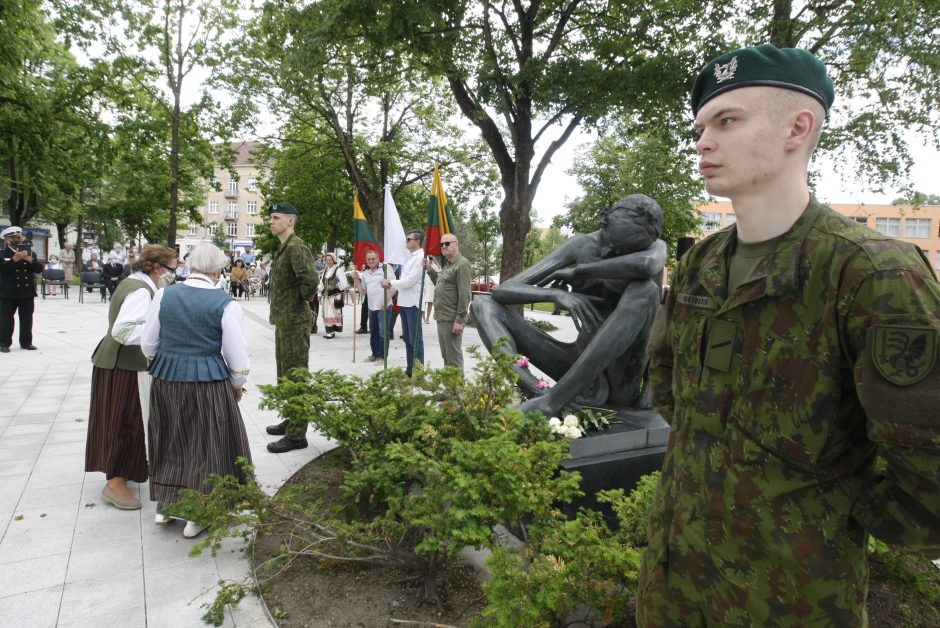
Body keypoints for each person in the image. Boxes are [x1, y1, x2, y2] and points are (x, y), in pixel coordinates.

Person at [637, 45, 940, 626]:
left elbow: (929, 474)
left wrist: (828, 512)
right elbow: (669, 382)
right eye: (701, 126)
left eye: (727, 121)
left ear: (797, 128)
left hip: (793, 598)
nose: (703, 142)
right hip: (674, 583)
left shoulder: (869, 273)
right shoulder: (703, 263)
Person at [472, 195, 666, 417]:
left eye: (623, 250)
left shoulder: (653, 250)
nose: (611, 252)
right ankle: (536, 391)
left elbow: (647, 269)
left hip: (619, 378)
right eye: (609, 243)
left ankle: (552, 401)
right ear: (604, 221)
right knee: (482, 304)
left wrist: (580, 271)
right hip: (575, 364)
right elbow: (503, 290)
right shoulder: (580, 245)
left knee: (646, 290)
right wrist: (555, 295)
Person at [141, 244, 251, 538]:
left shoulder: (165, 294)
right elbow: (237, 357)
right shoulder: (226, 304)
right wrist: (237, 385)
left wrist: (168, 361)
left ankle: (166, 505)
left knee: (170, 437)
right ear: (218, 270)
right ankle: (199, 512)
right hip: (208, 384)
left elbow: (148, 344)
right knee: (205, 445)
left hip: (167, 379)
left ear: (189, 266)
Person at [86, 244, 177, 511]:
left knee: (127, 420)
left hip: (119, 364)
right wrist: (160, 337)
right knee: (123, 422)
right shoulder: (140, 291)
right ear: (158, 268)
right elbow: (123, 331)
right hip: (123, 367)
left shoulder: (137, 284)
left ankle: (122, 473)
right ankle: (114, 483)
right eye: (173, 267)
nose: (175, 272)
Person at [264, 202, 318, 453]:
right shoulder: (284, 247)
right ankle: (291, 419)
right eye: (270, 218)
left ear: (290, 221)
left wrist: (301, 306)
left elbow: (309, 280)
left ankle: (297, 435)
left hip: (294, 321)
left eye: (276, 217)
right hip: (284, 320)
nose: (271, 221)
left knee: (296, 376)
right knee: (285, 374)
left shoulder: (297, 247)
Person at [381, 230, 425, 377]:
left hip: (413, 304)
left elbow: (410, 281)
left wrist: (390, 282)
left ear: (417, 241)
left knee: (415, 339)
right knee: (408, 339)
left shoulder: (421, 258)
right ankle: (410, 368)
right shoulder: (410, 258)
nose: (406, 241)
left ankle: (418, 371)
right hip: (405, 303)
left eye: (408, 239)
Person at [423, 234, 471, 371]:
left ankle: (456, 391)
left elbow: (464, 294)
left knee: (453, 357)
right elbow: (439, 284)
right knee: (446, 356)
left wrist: (460, 320)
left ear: (456, 244)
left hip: (451, 318)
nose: (444, 246)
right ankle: (450, 388)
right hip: (442, 317)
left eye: (447, 243)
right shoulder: (448, 265)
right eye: (442, 244)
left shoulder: (462, 264)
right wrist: (430, 271)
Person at [0, 226, 44, 352]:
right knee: (6, 318)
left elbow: (39, 269)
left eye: (19, 237)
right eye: (14, 237)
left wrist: (29, 261)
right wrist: (15, 259)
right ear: (7, 239)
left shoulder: (29, 252)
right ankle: (4, 343)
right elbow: (2, 269)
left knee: (26, 318)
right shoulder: (2, 253)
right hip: (8, 291)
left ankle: (26, 342)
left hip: (26, 291)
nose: (17, 239)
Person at [353, 250, 395, 363]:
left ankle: (382, 357)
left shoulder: (386, 269)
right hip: (371, 307)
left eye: (373, 258)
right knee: (373, 332)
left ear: (378, 258)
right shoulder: (366, 272)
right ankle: (375, 354)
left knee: (383, 332)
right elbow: (362, 292)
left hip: (384, 307)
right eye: (368, 259)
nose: (371, 261)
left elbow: (394, 287)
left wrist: (387, 301)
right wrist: (356, 279)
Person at [318, 253, 348, 339]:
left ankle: (332, 331)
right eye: (327, 260)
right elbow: (321, 284)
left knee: (333, 314)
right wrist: (319, 294)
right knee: (326, 314)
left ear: (333, 260)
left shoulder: (338, 270)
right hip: (326, 296)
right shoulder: (325, 270)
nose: (328, 261)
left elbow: (344, 284)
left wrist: (335, 286)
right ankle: (329, 331)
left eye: (330, 260)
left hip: (335, 296)